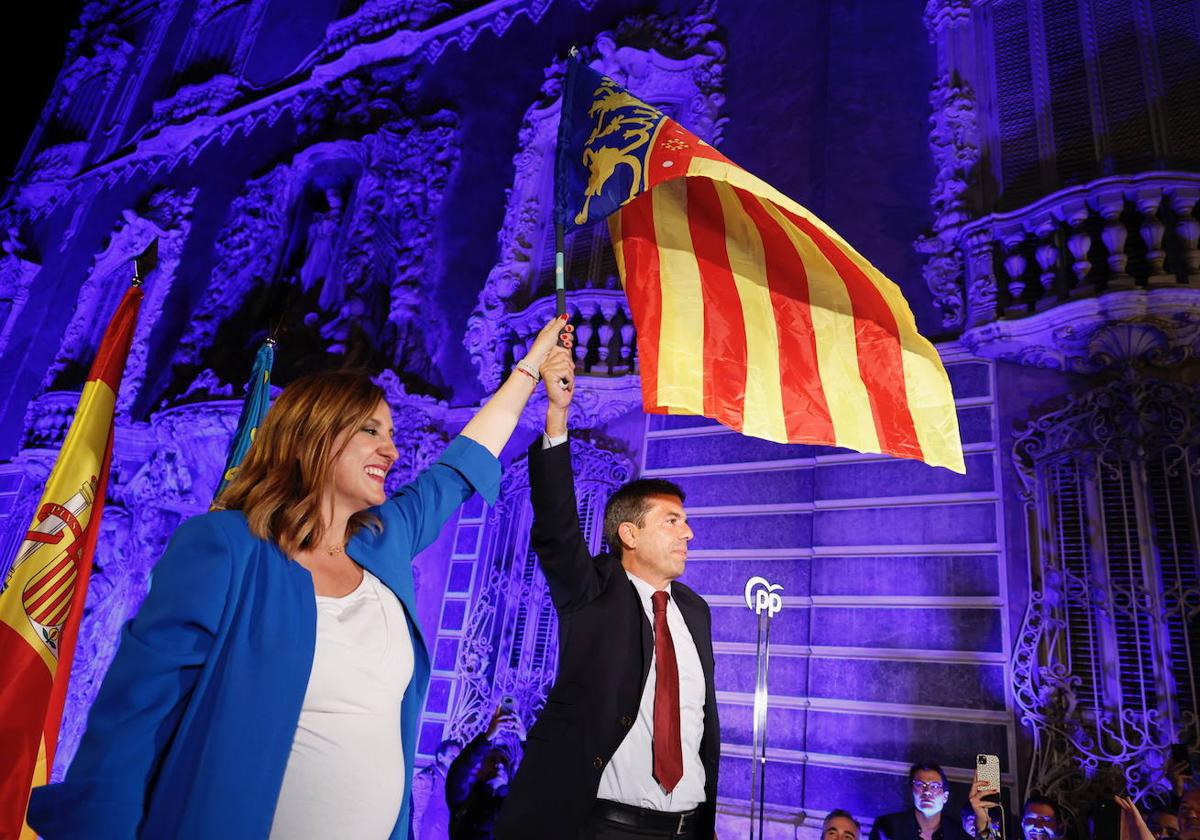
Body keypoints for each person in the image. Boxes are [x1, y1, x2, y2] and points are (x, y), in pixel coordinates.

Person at [26, 316, 573, 839]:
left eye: (391, 432)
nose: (392, 449)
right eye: (370, 430)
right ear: (315, 437)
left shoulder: (384, 539)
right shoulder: (226, 547)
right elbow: (133, 722)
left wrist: (530, 367)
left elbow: (460, 465)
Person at [495, 349, 720, 840]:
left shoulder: (695, 612)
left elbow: (701, 724)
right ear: (629, 535)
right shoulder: (593, 589)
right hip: (605, 826)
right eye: (672, 521)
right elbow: (557, 525)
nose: (689, 534)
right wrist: (556, 414)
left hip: (686, 826)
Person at [447, 707, 525, 840]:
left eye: (504, 762)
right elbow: (459, 770)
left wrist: (524, 738)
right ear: (481, 768)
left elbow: (538, 779)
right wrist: (487, 737)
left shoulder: (514, 806)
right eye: (492, 759)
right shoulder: (465, 799)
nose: (499, 764)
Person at [871, 762, 995, 840]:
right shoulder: (889, 826)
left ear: (945, 797)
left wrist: (982, 824)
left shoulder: (956, 833)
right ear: (911, 791)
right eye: (920, 785)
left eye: (935, 786)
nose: (927, 791)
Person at [411, 738, 464, 840]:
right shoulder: (427, 779)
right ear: (440, 757)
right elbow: (416, 817)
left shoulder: (452, 782)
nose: (457, 762)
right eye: (452, 757)